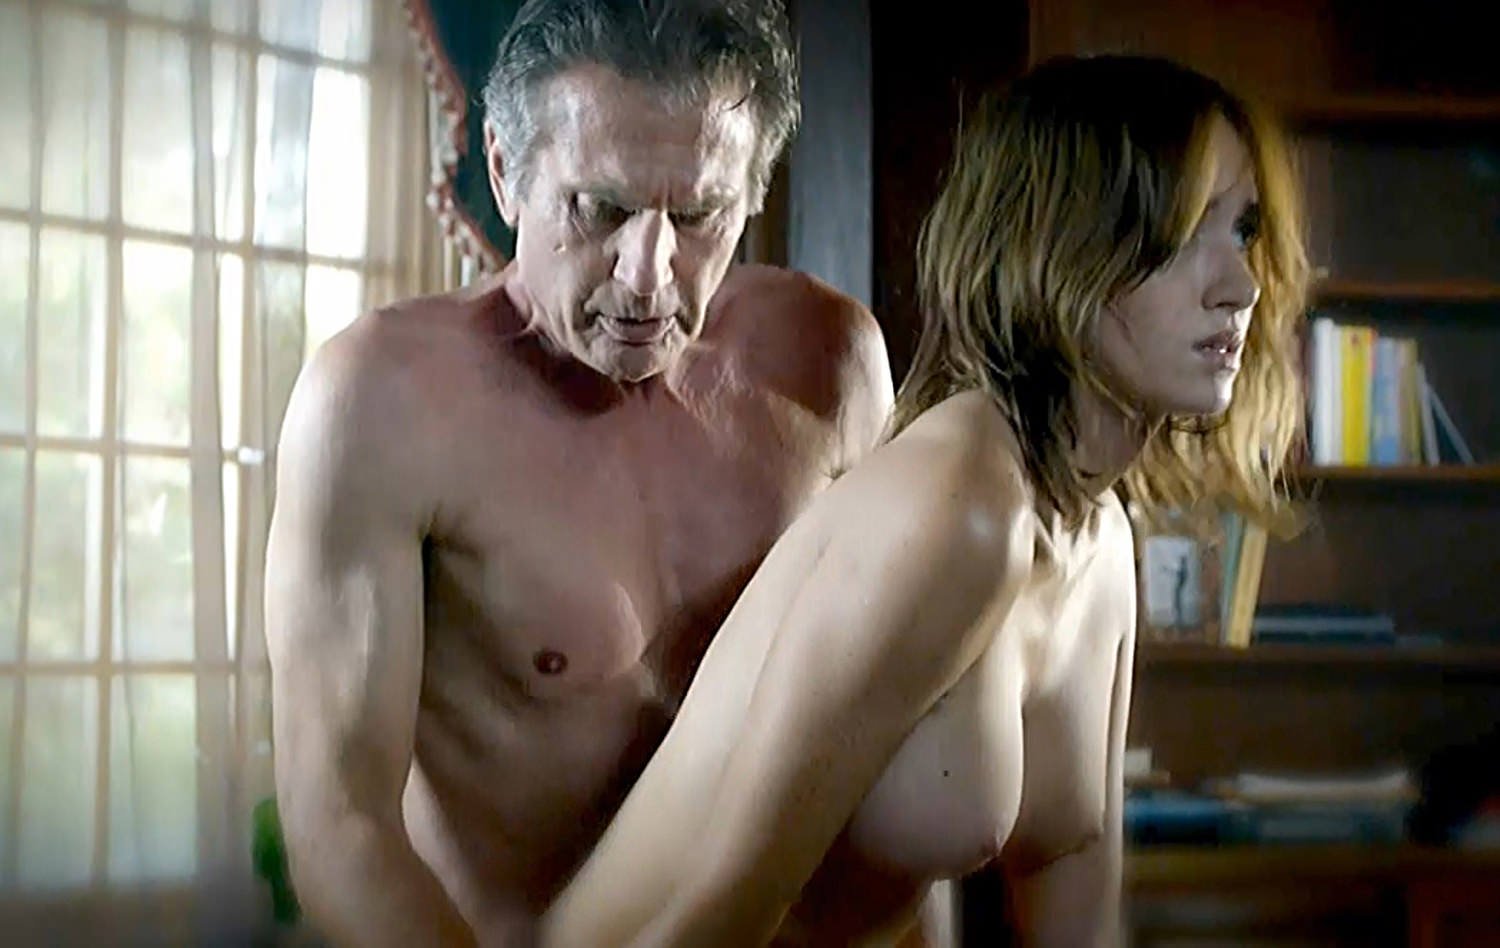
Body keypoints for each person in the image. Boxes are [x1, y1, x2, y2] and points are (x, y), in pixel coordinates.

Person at [538, 53, 1309, 946]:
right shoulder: (960, 505)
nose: (1241, 286)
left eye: (1243, 231)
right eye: (1183, 235)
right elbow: (719, 912)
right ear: (1062, 247)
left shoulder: (1097, 535)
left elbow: (1079, 914)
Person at [263, 1, 893, 945]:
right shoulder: (381, 401)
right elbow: (339, 824)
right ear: (505, 172)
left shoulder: (830, 362)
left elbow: (897, 726)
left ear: (753, 193)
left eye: (699, 215)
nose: (648, 275)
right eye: (601, 210)